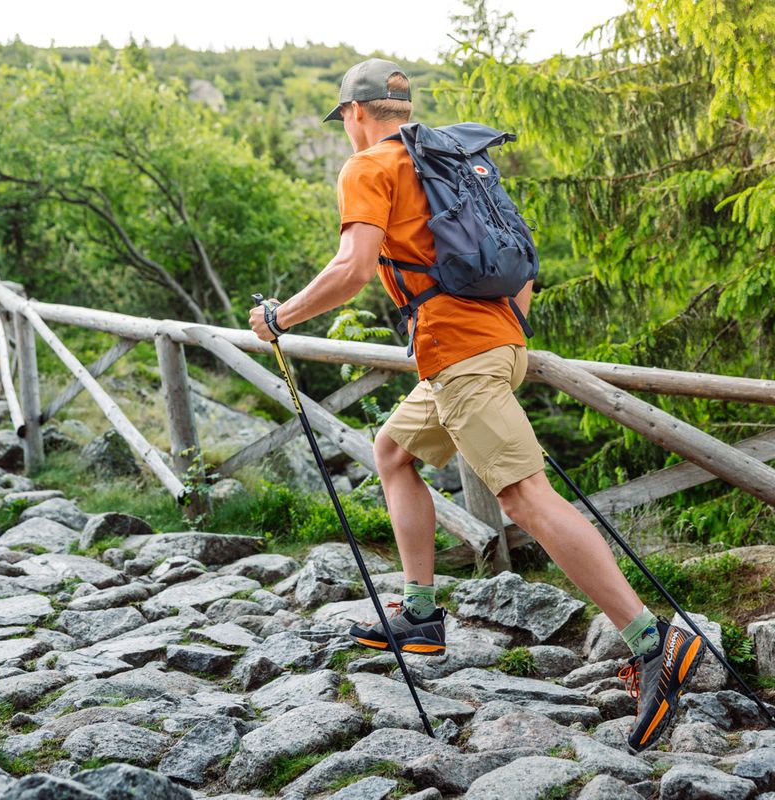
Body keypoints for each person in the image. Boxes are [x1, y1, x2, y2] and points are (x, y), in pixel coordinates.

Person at [249, 57, 705, 752]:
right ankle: (422, 616)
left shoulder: (369, 166)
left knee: (525, 498)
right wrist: (503, 341)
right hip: (496, 342)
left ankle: (653, 642)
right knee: (394, 451)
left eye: (345, 118)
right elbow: (519, 260)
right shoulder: (454, 158)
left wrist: (281, 316)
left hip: (462, 355)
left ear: (355, 113)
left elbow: (353, 269)